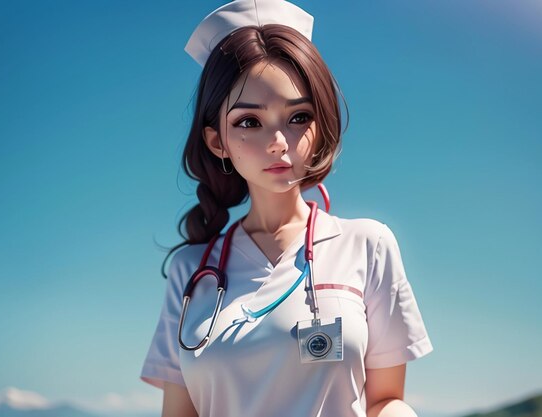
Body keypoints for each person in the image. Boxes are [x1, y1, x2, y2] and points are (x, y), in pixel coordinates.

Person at [140, 1, 434, 416]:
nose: (278, 141)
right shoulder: (191, 270)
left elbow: (386, 401)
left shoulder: (368, 245)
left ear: (321, 124)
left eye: (298, 116)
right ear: (216, 141)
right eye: (249, 121)